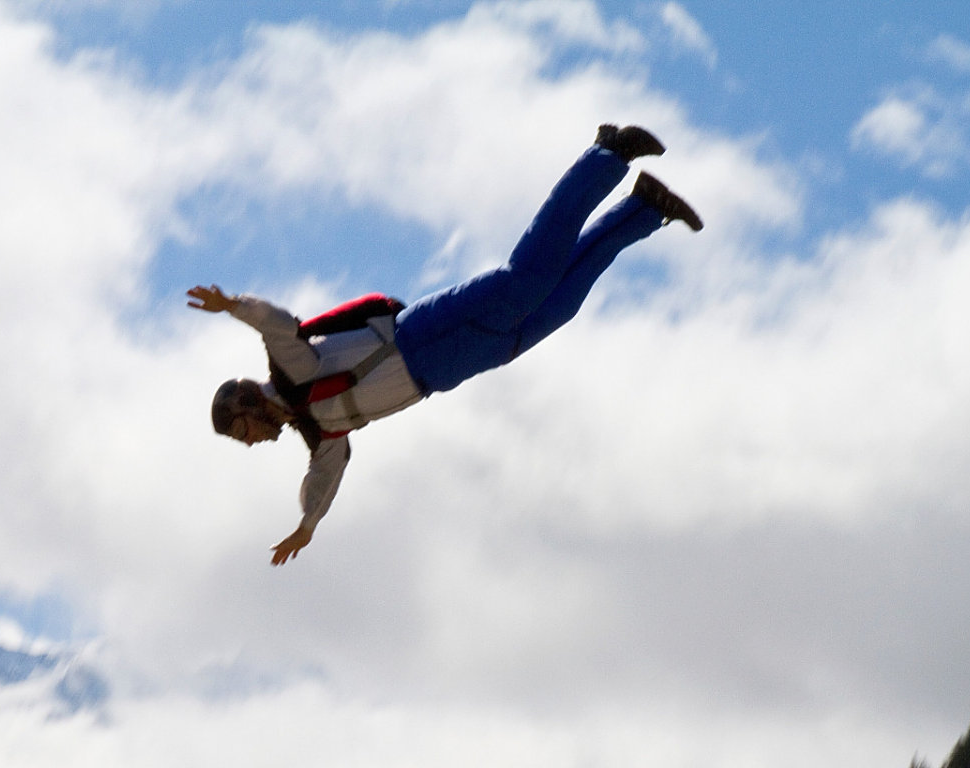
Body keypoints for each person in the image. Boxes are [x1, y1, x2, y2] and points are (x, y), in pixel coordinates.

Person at [190, 124, 701, 565]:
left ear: (247, 402)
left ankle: (606, 154)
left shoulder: (290, 374)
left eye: (243, 430)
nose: (251, 440)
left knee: (524, 279)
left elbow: (277, 326)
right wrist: (307, 525)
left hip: (420, 335)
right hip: (448, 368)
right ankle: (643, 209)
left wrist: (233, 305)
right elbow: (322, 480)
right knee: (554, 306)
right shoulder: (318, 430)